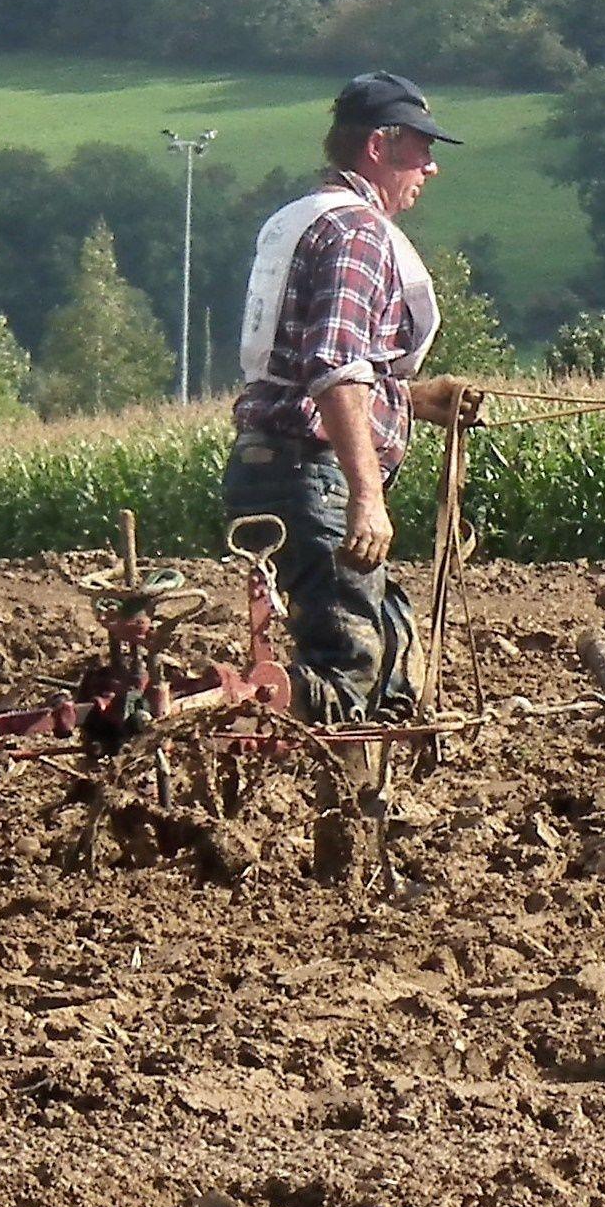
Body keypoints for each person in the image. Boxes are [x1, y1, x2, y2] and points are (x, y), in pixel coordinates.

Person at [224, 71, 483, 722]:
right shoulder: (357, 232)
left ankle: (374, 805)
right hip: (314, 477)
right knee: (352, 673)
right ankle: (252, 716)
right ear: (378, 146)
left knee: (391, 646)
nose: (431, 167)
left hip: (270, 466)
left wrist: (416, 398)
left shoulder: (296, 220)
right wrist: (367, 499)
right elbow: (335, 368)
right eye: (420, 149)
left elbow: (306, 363)